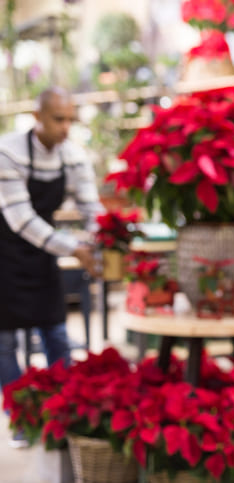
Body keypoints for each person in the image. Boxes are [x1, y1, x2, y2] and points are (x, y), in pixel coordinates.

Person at [0, 87, 103, 437]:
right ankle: (22, 419)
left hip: (43, 254)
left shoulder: (72, 156)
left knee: (56, 333)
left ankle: (64, 413)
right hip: (5, 255)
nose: (65, 128)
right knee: (4, 343)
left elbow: (92, 209)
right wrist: (74, 249)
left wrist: (104, 241)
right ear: (37, 117)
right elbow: (20, 219)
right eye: (58, 119)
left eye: (69, 120)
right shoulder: (8, 152)